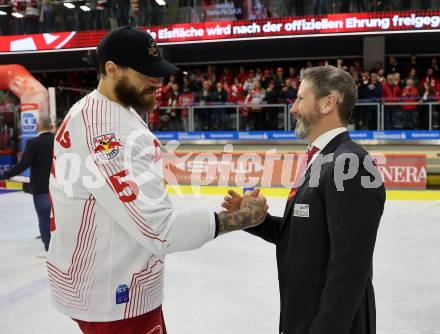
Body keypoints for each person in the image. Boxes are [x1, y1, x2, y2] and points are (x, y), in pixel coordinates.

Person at [48, 26, 268, 334]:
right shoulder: (109, 133)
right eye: (146, 72)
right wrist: (242, 218)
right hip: (115, 295)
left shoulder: (101, 109)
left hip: (104, 282)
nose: (158, 81)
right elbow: (160, 230)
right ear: (112, 69)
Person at [223, 66, 386, 334]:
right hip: (304, 315)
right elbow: (303, 235)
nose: (293, 109)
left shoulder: (351, 164)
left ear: (327, 103)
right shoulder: (320, 158)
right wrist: (254, 220)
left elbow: (349, 268)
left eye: (300, 98)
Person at [0, 115, 54, 255]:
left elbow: (23, 164)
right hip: (59, 188)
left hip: (41, 188)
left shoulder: (33, 143)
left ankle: (49, 248)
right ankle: (56, 245)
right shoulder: (58, 140)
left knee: (43, 217)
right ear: (52, 126)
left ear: (38, 126)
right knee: (57, 217)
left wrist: (6, 174)